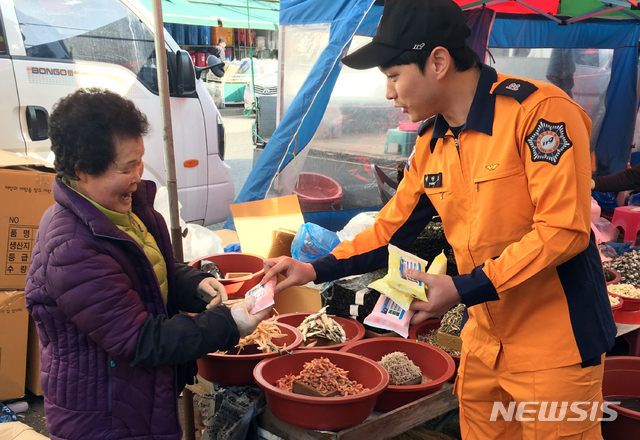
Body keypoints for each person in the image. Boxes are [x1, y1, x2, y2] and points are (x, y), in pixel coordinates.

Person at [262, 1, 616, 438]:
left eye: (393, 76)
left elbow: (564, 231)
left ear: (439, 61)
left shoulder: (538, 113)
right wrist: (313, 267)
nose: (389, 93)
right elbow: (388, 229)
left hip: (556, 349)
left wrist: (462, 287)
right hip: (485, 342)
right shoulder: (433, 142)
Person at [25, 88, 270, 440]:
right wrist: (230, 323)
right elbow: (140, 339)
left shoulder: (127, 209)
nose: (138, 175)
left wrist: (194, 284)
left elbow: (152, 269)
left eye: (140, 160)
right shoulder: (70, 248)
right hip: (105, 416)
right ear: (81, 172)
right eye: (127, 167)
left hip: (140, 397)